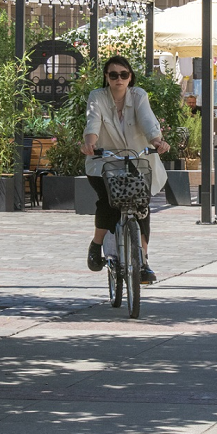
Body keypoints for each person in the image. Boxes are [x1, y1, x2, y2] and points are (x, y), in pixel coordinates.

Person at [81, 56, 169, 283]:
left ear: (130, 77)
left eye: (123, 74)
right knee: (108, 202)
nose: (119, 79)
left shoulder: (138, 95)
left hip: (138, 160)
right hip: (105, 161)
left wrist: (157, 142)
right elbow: (92, 123)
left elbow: (149, 121)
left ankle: (143, 262)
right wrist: (90, 144)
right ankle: (96, 244)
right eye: (113, 75)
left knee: (142, 207)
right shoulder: (97, 97)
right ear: (106, 77)